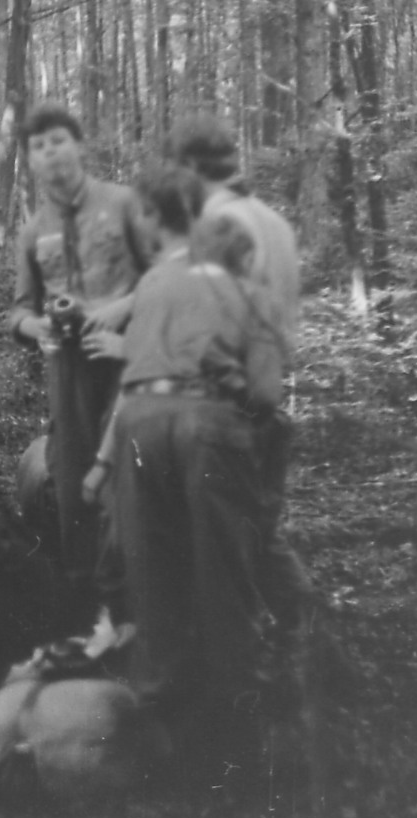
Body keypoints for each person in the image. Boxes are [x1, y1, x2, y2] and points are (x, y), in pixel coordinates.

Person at [83, 162, 284, 712]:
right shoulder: (249, 291)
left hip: (140, 424)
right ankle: (235, 710)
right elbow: (266, 395)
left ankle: (160, 709)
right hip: (207, 424)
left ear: (152, 219)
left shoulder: (151, 283)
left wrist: (101, 462)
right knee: (223, 568)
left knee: (152, 573)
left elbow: (133, 375)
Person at [163, 114, 314, 639]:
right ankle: (303, 637)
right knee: (260, 532)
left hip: (224, 403)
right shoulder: (273, 221)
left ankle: (249, 651)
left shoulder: (215, 227)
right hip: (268, 395)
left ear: (189, 168)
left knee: (220, 543)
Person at [10, 102, 150, 631]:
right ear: (30, 161)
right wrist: (36, 327)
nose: (50, 153)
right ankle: (84, 615)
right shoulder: (32, 232)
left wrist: (121, 308)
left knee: (125, 475)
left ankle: (134, 607)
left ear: (79, 146)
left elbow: (164, 274)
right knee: (72, 483)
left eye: (58, 141)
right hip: (68, 374)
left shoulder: (124, 204)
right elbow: (19, 309)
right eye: (39, 146)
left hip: (126, 361)